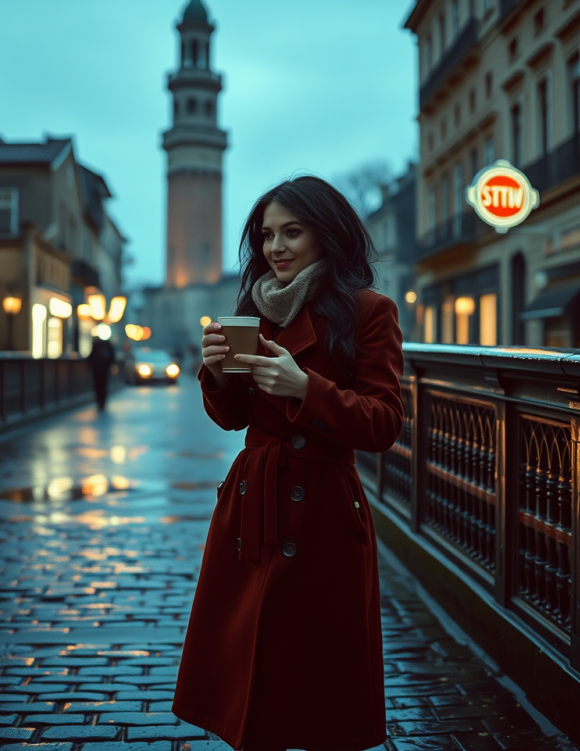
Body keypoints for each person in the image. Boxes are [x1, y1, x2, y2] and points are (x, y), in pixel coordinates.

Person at [172, 176, 404, 751]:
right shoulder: (253, 311)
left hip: (325, 511)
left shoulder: (369, 312)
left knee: (320, 674)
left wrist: (307, 389)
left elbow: (383, 423)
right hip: (254, 504)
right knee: (252, 667)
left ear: (326, 235)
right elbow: (231, 418)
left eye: (292, 232)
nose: (276, 247)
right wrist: (219, 375)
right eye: (268, 235)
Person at [87, 335, 115, 410]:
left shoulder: (96, 345)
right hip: (104, 370)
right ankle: (102, 401)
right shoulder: (108, 345)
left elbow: (90, 357)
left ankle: (100, 401)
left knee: (98, 385)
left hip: (97, 370)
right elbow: (112, 357)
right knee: (103, 385)